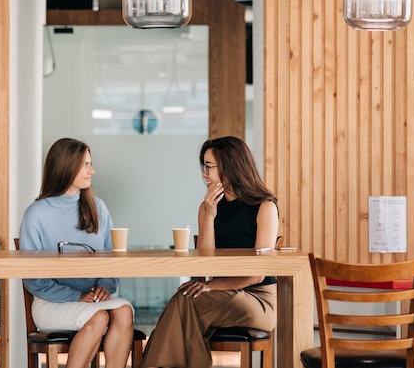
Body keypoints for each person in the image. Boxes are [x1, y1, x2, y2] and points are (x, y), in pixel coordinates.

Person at [141, 136, 279, 368]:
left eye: (209, 167)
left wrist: (210, 286)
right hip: (218, 295)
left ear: (230, 166)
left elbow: (257, 275)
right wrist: (208, 216)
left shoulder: (265, 207)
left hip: (258, 299)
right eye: (203, 166)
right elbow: (204, 266)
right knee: (186, 308)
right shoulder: (208, 207)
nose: (204, 174)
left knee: (185, 304)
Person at [19, 137, 134, 368]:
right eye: (85, 165)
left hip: (92, 300)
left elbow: (110, 258)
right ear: (66, 166)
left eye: (90, 164)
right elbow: (33, 279)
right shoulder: (36, 214)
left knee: (124, 311)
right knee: (99, 317)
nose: (92, 171)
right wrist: (77, 297)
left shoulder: (98, 207)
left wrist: (105, 287)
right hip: (50, 303)